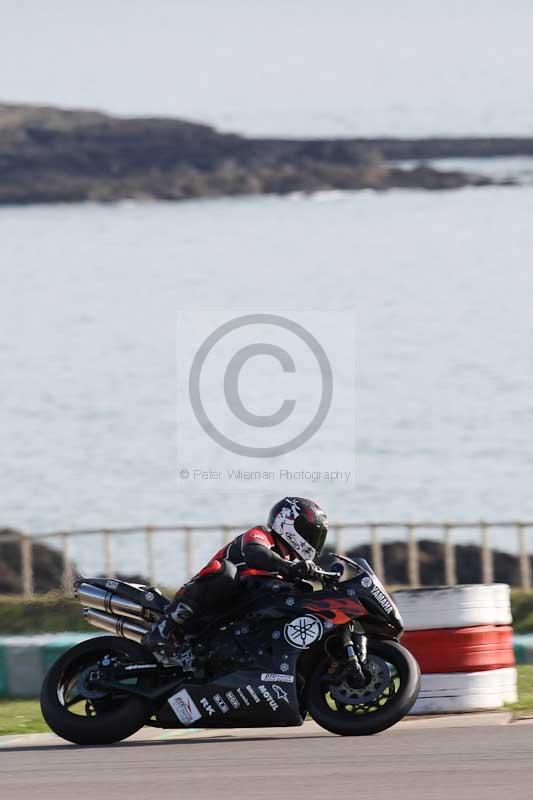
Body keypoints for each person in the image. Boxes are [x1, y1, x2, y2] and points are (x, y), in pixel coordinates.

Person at [142, 496, 328, 652]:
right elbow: (257, 553)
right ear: (288, 522)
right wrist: (290, 568)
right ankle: (163, 629)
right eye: (310, 534)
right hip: (203, 600)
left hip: (230, 617)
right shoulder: (261, 535)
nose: (314, 541)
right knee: (225, 572)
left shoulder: (288, 562)